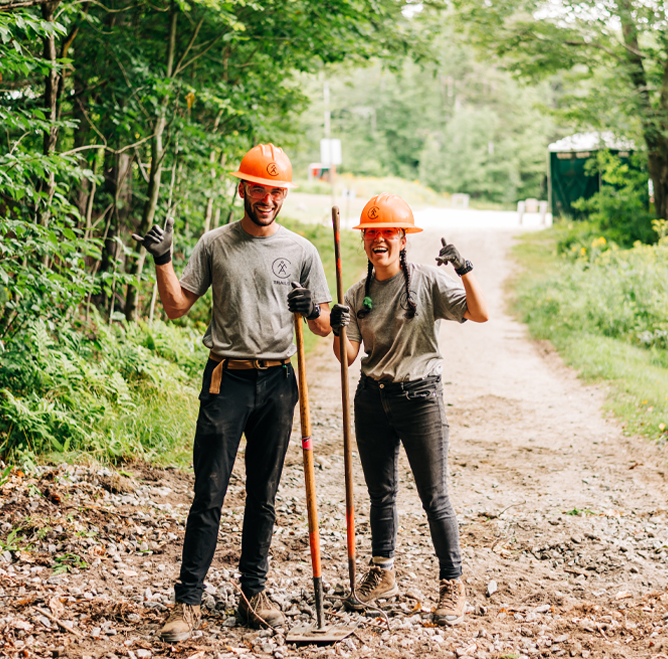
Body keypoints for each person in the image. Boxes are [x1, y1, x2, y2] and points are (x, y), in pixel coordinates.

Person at [133, 143, 333, 642]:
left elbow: (325, 327)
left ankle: (252, 595)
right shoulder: (215, 244)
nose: (266, 198)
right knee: (209, 493)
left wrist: (312, 310)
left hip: (279, 382)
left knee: (263, 495)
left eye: (276, 191)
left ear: (283, 194)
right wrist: (163, 261)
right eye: (259, 188)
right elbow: (178, 306)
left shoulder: (301, 251)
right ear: (243, 188)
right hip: (228, 380)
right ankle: (188, 603)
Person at [330, 193, 489, 626]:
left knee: (434, 497)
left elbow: (480, 313)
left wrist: (464, 269)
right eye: (372, 233)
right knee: (381, 493)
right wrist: (335, 325)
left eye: (389, 233)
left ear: (403, 240)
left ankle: (452, 583)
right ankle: (382, 573)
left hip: (420, 399)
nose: (379, 239)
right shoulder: (357, 292)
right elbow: (345, 356)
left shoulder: (426, 282)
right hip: (372, 398)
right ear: (364, 241)